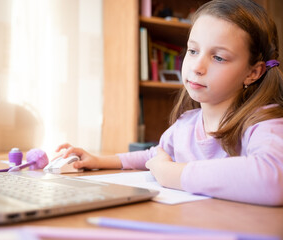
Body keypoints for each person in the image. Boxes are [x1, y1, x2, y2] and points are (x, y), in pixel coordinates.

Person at [56, 0, 283, 206]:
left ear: (253, 72)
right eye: (193, 51)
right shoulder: (186, 125)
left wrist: (173, 174)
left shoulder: (264, 122)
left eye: (218, 57)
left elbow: (273, 180)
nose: (196, 67)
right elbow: (155, 155)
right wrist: (98, 160)